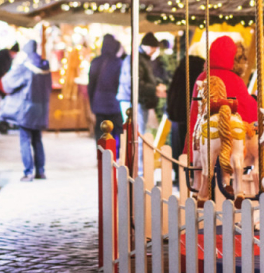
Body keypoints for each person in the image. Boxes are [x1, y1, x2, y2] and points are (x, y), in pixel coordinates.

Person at [187, 36, 258, 156]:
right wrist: (255, 101)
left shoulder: (202, 77)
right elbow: (246, 109)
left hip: (202, 139)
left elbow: (195, 112)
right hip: (228, 142)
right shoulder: (235, 80)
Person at [1, 40, 52, 182]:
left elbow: (8, 84)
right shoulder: (45, 66)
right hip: (41, 109)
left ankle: (28, 172)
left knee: (25, 140)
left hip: (26, 109)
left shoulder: (25, 67)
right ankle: (40, 171)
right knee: (37, 140)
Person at [117, 32, 166, 173]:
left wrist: (156, 84)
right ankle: (138, 169)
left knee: (139, 134)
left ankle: (139, 167)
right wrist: (155, 88)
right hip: (132, 101)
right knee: (136, 134)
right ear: (146, 46)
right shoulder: (135, 59)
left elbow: (146, 78)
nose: (155, 51)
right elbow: (135, 83)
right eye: (154, 48)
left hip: (137, 101)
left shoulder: (142, 58)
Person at [166, 41, 205, 181]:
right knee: (191, 144)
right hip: (192, 112)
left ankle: (178, 175)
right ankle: (191, 175)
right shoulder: (202, 69)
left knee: (177, 144)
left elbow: (172, 90)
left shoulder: (182, 66)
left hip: (177, 112)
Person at [88, 34, 123, 142]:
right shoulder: (118, 62)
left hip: (99, 104)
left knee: (100, 133)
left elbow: (91, 85)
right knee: (118, 133)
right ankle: (115, 156)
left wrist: (92, 104)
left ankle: (101, 157)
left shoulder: (95, 62)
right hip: (114, 103)